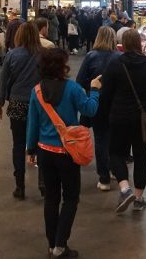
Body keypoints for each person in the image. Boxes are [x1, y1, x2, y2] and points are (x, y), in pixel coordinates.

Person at [26, 48, 101, 258]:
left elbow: (32, 123)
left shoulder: (37, 91)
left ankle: (52, 245)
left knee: (51, 198)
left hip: (45, 152)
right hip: (68, 153)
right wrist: (95, 90)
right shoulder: (73, 89)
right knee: (70, 198)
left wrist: (30, 149)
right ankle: (60, 246)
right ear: (62, 65)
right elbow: (90, 110)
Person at [99, 28, 146, 214]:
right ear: (139, 43)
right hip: (144, 120)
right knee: (141, 157)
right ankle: (139, 197)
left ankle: (125, 189)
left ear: (123, 44)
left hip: (119, 117)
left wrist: (106, 112)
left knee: (116, 153)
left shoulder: (115, 64)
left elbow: (106, 93)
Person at [0, 22, 42, 200]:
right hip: (39, 104)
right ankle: (43, 183)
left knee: (18, 144)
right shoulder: (42, 55)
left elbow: (3, 81)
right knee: (40, 142)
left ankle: (20, 185)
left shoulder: (12, 54)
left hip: (17, 103)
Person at [75, 26, 121, 191]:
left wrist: (93, 87)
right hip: (117, 105)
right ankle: (116, 170)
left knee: (101, 139)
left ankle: (104, 178)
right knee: (115, 140)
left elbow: (79, 80)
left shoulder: (91, 56)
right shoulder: (119, 57)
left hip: (97, 104)